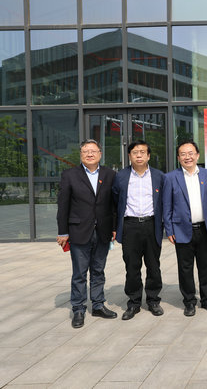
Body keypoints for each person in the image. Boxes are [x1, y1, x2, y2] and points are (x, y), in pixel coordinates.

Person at [56, 139, 118, 328]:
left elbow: (113, 204)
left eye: (93, 151)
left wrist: (114, 227)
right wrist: (63, 232)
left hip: (103, 231)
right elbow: (63, 205)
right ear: (81, 154)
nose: (89, 154)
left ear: (100, 153)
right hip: (79, 231)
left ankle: (98, 305)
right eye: (85, 151)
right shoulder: (70, 175)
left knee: (98, 271)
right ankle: (78, 309)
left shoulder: (110, 174)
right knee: (79, 273)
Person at [163, 140, 207, 316]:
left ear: (197, 155)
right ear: (178, 157)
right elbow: (167, 206)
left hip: (204, 228)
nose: (187, 157)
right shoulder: (170, 177)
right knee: (185, 268)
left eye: (190, 153)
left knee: (206, 267)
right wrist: (169, 230)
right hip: (181, 229)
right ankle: (189, 302)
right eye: (183, 154)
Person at [112, 140, 165, 320]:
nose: (139, 155)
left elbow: (164, 202)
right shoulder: (120, 176)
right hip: (130, 226)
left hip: (152, 224)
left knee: (153, 265)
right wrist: (115, 228)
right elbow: (115, 202)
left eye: (142, 152)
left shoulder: (159, 176)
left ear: (148, 156)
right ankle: (134, 302)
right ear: (129, 156)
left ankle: (153, 300)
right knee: (132, 266)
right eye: (135, 152)